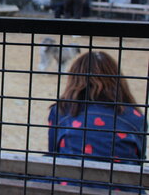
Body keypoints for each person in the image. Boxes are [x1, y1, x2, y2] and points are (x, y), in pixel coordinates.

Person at [48, 51, 146, 190]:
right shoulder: (135, 117)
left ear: (75, 78)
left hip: (71, 189)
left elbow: (53, 154)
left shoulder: (61, 110)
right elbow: (139, 159)